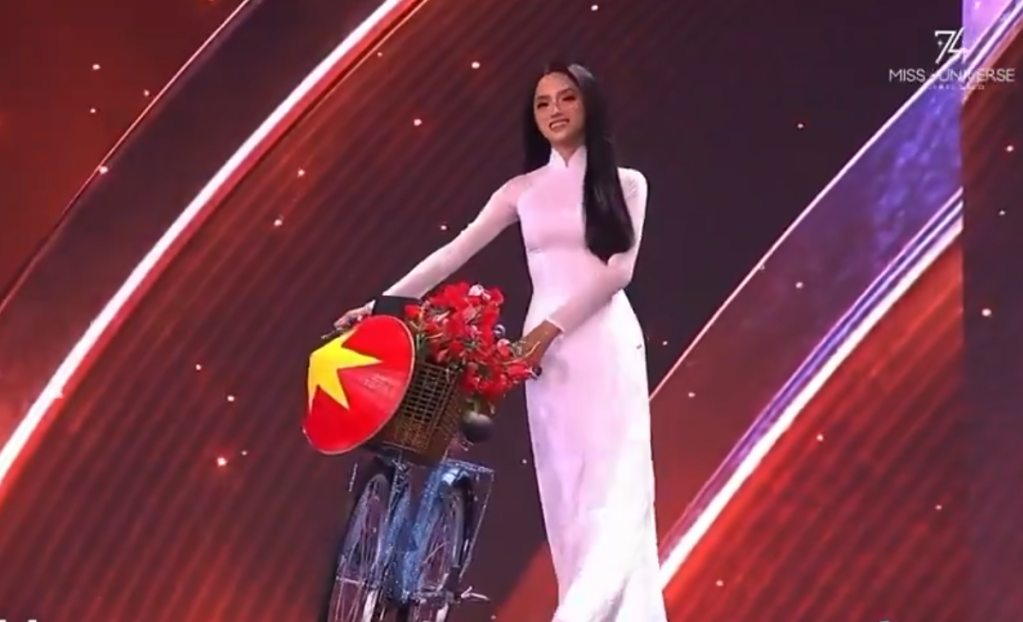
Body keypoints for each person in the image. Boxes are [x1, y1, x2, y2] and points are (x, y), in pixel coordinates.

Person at [335, 61, 667, 622]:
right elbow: (453, 253)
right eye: (543, 103)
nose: (555, 110)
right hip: (542, 364)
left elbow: (618, 273)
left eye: (566, 98)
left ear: (589, 105)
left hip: (603, 344)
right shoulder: (523, 192)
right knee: (564, 492)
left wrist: (545, 332)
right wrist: (379, 306)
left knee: (618, 489)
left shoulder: (627, 183)